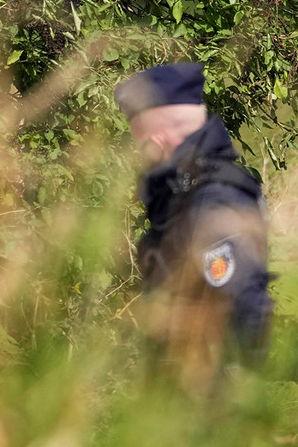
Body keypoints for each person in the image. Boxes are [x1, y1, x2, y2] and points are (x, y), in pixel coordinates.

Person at [115, 61, 273, 368]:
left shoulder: (215, 199)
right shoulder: (187, 191)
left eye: (140, 144)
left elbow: (243, 307)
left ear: (157, 141)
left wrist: (230, 389)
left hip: (207, 389)